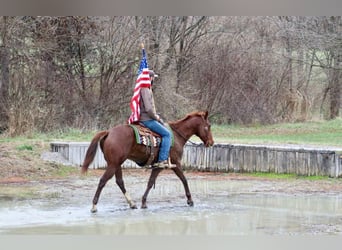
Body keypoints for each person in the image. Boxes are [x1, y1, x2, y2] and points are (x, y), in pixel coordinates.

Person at [139, 70, 176, 168]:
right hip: (147, 119)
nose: (153, 79)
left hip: (145, 118)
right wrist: (157, 117)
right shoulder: (145, 90)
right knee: (167, 134)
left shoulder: (143, 89)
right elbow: (148, 109)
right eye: (153, 77)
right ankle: (162, 160)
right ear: (150, 78)